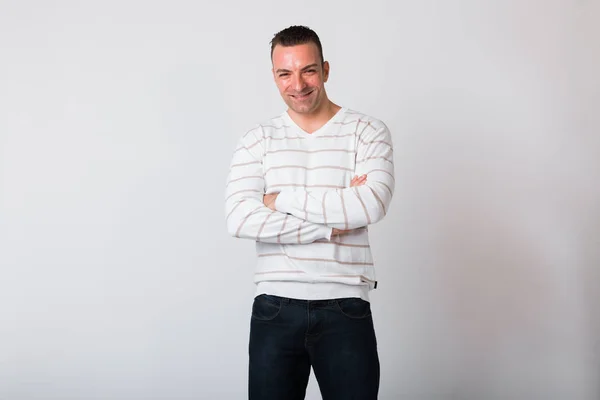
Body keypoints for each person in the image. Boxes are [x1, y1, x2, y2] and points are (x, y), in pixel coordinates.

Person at [225, 25, 394, 400]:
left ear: (326, 69)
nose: (297, 84)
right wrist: (328, 225)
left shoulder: (366, 131)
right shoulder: (258, 139)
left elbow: (370, 204)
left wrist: (278, 198)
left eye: (308, 70)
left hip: (346, 305)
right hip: (274, 306)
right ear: (274, 76)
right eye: (285, 73)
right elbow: (239, 218)